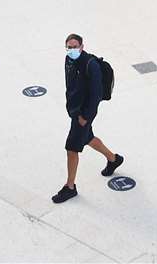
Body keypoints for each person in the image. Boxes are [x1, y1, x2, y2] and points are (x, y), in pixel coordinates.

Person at [52, 33, 122, 204]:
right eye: (69, 47)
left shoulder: (91, 65)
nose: (72, 49)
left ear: (82, 47)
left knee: (72, 148)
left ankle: (70, 187)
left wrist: (85, 117)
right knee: (88, 138)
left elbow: (96, 94)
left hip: (83, 115)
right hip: (75, 111)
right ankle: (114, 159)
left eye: (75, 46)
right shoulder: (69, 60)